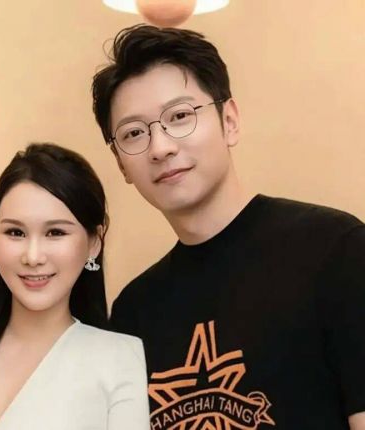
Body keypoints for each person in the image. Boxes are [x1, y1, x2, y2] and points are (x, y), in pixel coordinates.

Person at [91, 24, 365, 429]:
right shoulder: (134, 311)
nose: (161, 147)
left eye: (180, 116)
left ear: (230, 120)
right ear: (120, 164)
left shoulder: (336, 248)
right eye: (134, 133)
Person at [0, 143, 150, 430]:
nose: (33, 257)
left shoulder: (118, 359)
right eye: (15, 232)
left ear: (94, 242)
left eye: (55, 232)